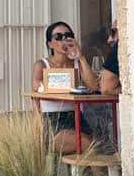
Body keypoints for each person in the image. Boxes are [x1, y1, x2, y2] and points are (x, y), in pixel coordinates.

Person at [30, 21, 99, 154]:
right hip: (52, 120)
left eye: (68, 36)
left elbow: (93, 86)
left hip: (76, 116)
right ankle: (93, 175)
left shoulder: (77, 63)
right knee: (87, 144)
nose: (64, 40)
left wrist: (81, 57)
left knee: (93, 147)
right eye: (58, 37)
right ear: (50, 44)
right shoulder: (42, 65)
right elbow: (37, 88)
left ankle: (88, 175)